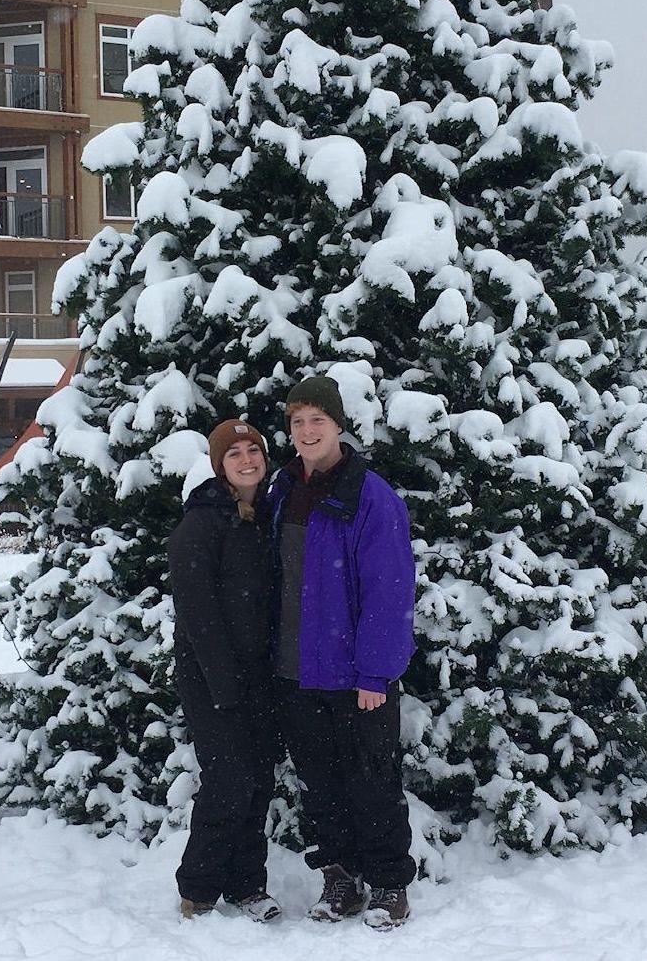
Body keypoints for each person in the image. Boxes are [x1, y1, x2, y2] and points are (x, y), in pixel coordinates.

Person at [266, 375, 417, 931]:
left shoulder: (370, 496)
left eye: (318, 420)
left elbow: (389, 590)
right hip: (295, 669)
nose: (307, 431)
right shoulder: (284, 489)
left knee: (372, 781)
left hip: (355, 675)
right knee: (321, 785)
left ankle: (390, 884)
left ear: (339, 426)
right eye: (298, 421)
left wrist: (376, 672)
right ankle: (341, 878)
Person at [167, 419, 282, 923]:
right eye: (234, 454)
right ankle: (198, 889)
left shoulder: (267, 514)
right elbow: (197, 614)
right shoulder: (201, 523)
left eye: (253, 450)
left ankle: (247, 885)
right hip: (212, 676)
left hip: (262, 675)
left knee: (258, 780)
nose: (246, 460)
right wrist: (224, 683)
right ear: (219, 465)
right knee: (229, 779)